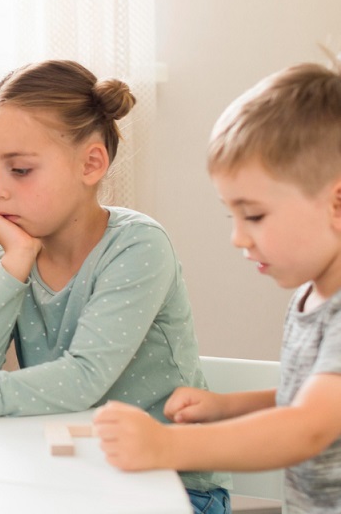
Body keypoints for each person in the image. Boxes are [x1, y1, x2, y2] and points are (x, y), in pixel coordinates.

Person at [0, 60, 229, 512]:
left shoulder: (138, 245)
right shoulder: (8, 256)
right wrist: (14, 263)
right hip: (68, 478)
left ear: (91, 163)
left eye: (20, 170)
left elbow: (83, 378)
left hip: (172, 485)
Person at [95, 61, 341, 514]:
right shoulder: (311, 296)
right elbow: (310, 396)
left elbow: (309, 425)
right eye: (233, 217)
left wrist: (167, 448)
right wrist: (227, 406)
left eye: (255, 215)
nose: (238, 238)